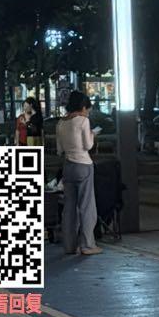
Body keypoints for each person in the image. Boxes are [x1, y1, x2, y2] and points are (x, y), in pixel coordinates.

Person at [55, 90, 101, 256]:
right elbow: (88, 145)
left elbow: (59, 149)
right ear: (83, 107)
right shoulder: (83, 121)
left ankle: (69, 246)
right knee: (87, 207)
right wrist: (92, 134)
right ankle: (88, 245)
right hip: (83, 165)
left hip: (68, 166)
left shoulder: (60, 123)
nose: (87, 112)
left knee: (69, 208)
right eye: (87, 109)